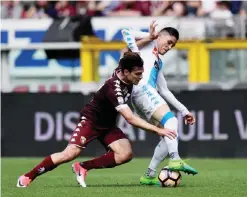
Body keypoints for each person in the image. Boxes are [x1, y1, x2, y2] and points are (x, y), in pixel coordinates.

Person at [17, 52, 176, 188]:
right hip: (91, 121)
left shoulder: (124, 72)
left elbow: (127, 52)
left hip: (107, 124)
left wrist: (149, 37)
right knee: (70, 153)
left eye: (141, 73)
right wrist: (158, 129)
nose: (141, 78)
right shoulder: (114, 88)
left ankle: (82, 167)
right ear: (126, 72)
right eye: (138, 74)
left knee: (125, 154)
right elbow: (129, 118)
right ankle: (27, 177)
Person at [121, 21, 198, 186]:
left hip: (144, 96)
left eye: (173, 45)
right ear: (160, 36)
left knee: (169, 134)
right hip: (142, 89)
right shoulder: (147, 45)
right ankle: (175, 159)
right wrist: (149, 36)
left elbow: (164, 90)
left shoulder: (158, 61)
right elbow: (126, 31)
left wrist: (184, 111)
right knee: (171, 122)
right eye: (168, 42)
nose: (170, 47)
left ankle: (149, 175)